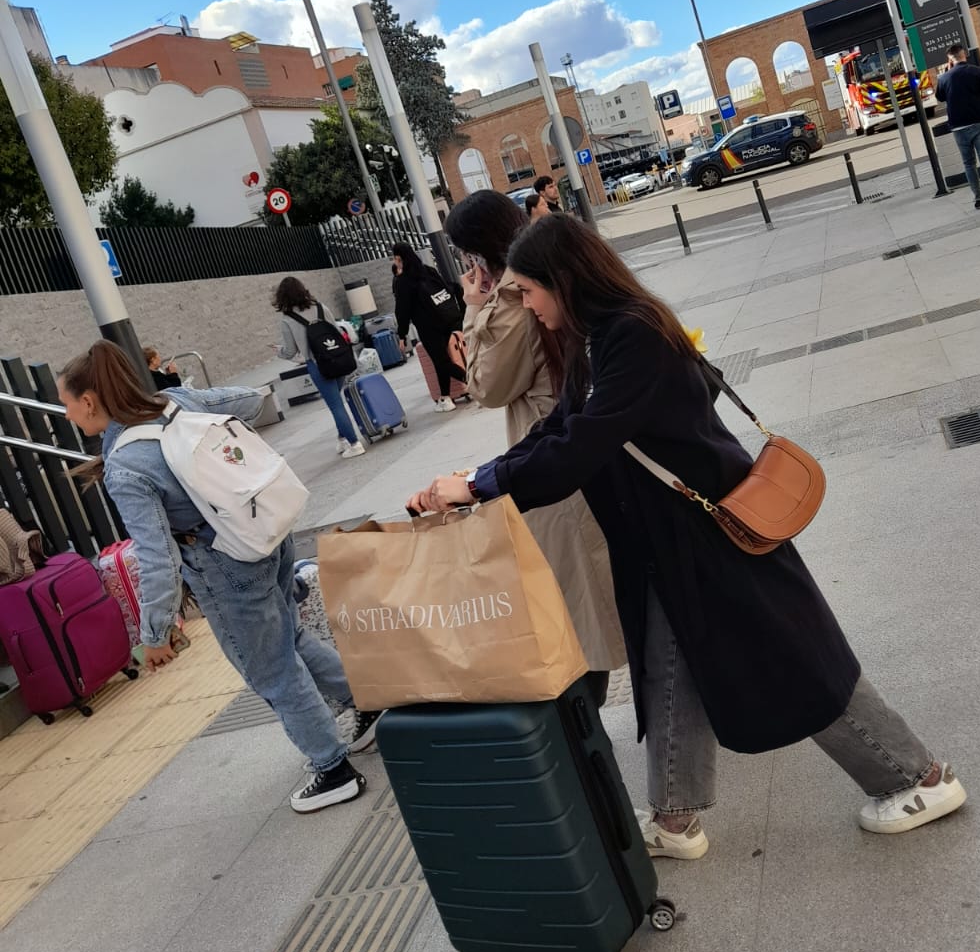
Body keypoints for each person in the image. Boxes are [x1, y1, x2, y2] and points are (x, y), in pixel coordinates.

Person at [409, 217, 966, 861]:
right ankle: (675, 822)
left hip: (708, 538)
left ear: (563, 282)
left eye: (529, 291)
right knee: (667, 669)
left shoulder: (633, 335)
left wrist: (479, 489)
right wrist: (476, 477)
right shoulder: (599, 337)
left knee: (795, 659)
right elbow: (559, 427)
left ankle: (918, 776)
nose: (527, 305)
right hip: (662, 542)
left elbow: (581, 446)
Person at [58, 342, 379, 813]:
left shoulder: (126, 467)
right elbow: (251, 400)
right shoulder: (177, 403)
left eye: (66, 404)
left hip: (224, 564)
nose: (66, 415)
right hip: (267, 532)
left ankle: (333, 769)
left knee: (272, 670)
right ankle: (367, 701)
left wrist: (155, 633)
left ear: (89, 401)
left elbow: (158, 557)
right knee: (287, 637)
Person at [444, 191, 626, 705]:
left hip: (555, 459)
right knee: (592, 596)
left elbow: (487, 387)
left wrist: (473, 308)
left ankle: (583, 732)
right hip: (565, 444)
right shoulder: (545, 274)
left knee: (579, 606)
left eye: (466, 254)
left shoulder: (509, 300)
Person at [273, 277, 366, 459]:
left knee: (336, 405)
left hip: (317, 365)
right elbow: (338, 332)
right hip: (338, 359)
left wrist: (279, 352)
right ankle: (342, 438)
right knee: (337, 401)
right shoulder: (321, 307)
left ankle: (354, 444)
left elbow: (291, 350)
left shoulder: (287, 320)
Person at [391, 243, 465, 413]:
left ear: (399, 258)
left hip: (428, 328)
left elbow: (402, 311)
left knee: (442, 362)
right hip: (446, 320)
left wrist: (401, 335)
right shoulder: (428, 270)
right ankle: (446, 398)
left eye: (395, 258)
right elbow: (448, 288)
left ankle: (475, 382)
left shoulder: (404, 281)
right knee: (441, 361)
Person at [935, 44, 980, 209]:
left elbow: (940, 96)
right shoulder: (977, 72)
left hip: (958, 126)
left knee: (968, 163)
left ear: (949, 60)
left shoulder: (944, 78)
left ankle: (978, 199)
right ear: (964, 54)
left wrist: (946, 72)